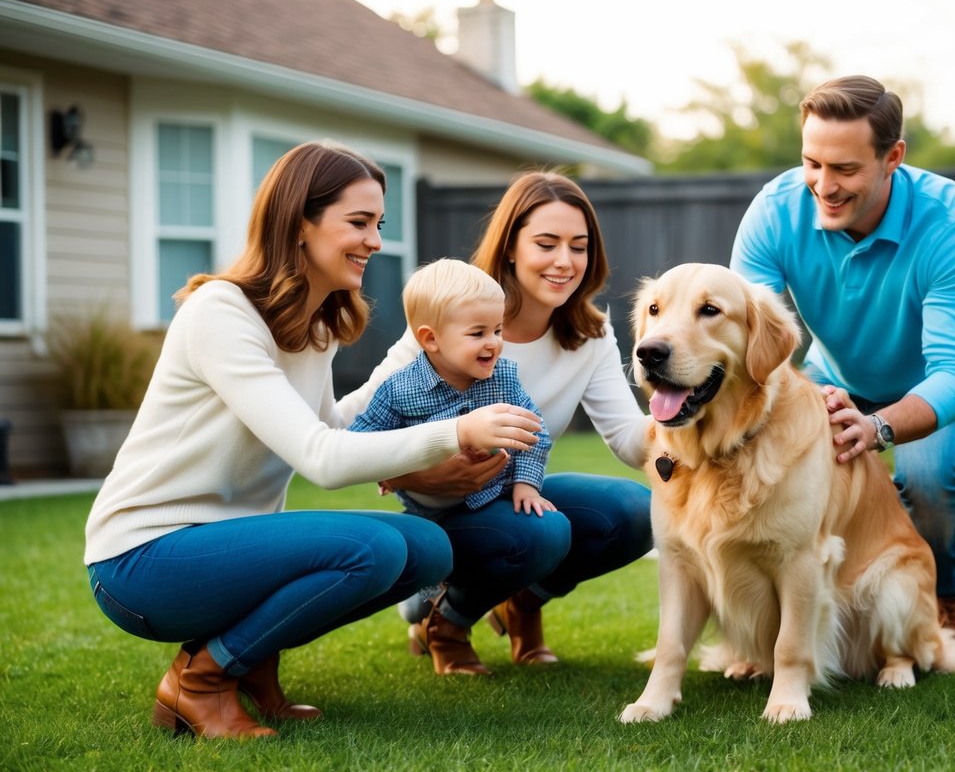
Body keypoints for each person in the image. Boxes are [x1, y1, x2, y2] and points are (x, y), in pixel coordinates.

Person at [83, 142, 543, 739]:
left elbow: (333, 426)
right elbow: (320, 458)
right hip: (142, 560)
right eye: (358, 223)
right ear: (298, 222)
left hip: (225, 546)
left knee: (427, 547)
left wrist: (423, 350)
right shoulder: (220, 312)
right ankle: (200, 679)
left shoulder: (315, 322)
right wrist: (455, 431)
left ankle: (248, 664)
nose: (375, 241)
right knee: (372, 548)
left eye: (379, 224)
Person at [729, 75, 955, 655]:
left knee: (927, 481)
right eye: (812, 163)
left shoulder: (951, 222)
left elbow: (954, 373)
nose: (823, 186)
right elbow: (751, 340)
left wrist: (878, 427)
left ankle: (949, 597)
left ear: (893, 157)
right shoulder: (774, 214)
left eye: (845, 170)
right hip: (836, 377)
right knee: (794, 479)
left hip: (947, 376)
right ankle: (811, 620)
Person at [339, 171, 652, 675]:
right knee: (541, 535)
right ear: (510, 247)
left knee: (636, 512)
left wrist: (692, 427)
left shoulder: (590, 332)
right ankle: (444, 618)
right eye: (546, 244)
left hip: (512, 491)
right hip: (436, 507)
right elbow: (354, 424)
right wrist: (411, 474)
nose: (564, 262)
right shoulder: (453, 314)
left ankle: (520, 603)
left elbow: (627, 435)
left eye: (579, 246)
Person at [348, 259, 565, 674]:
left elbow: (534, 432)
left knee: (541, 532)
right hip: (433, 513)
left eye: (498, 331)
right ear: (430, 339)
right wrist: (394, 472)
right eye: (477, 333)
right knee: (423, 590)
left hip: (495, 500)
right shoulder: (400, 390)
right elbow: (359, 442)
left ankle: (455, 619)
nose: (494, 343)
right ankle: (422, 609)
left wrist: (526, 486)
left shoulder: (503, 377)